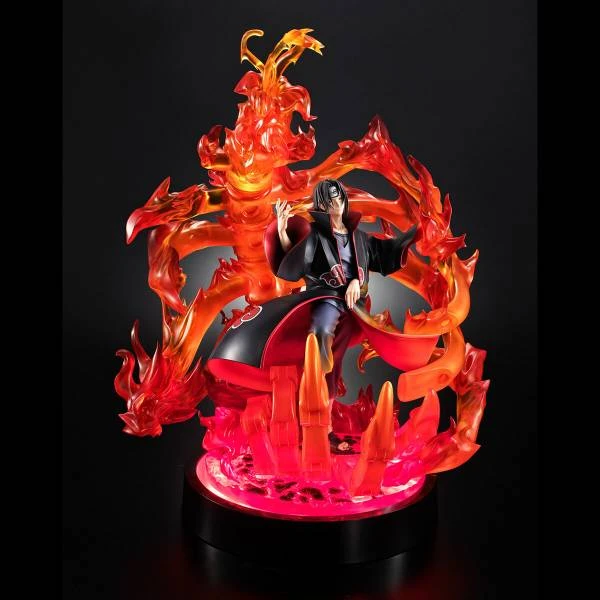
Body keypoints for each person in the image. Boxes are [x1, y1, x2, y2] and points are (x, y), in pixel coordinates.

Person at [206, 178, 420, 405]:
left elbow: (383, 252)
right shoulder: (316, 235)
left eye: (339, 197)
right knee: (321, 330)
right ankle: (316, 385)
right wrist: (282, 231)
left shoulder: (359, 237)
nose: (336, 203)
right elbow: (296, 260)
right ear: (323, 205)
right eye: (331, 199)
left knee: (341, 347)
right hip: (326, 296)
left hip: (354, 304)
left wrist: (414, 234)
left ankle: (325, 392)